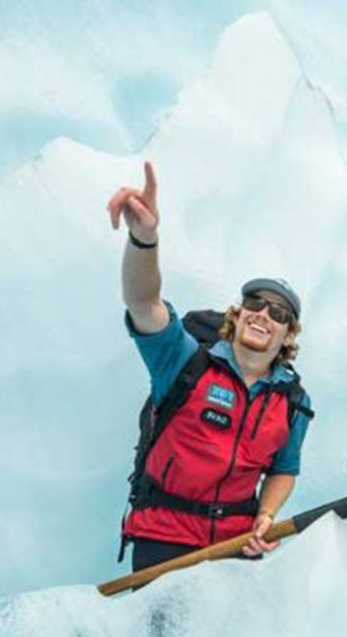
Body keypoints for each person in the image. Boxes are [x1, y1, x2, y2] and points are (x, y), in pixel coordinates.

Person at [107, 161, 313, 572]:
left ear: (288, 335)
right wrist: (144, 240)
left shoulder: (292, 401)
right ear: (236, 315)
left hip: (236, 548)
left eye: (278, 313)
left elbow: (283, 469)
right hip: (162, 537)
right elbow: (143, 303)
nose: (263, 316)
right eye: (254, 304)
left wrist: (266, 516)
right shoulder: (185, 360)